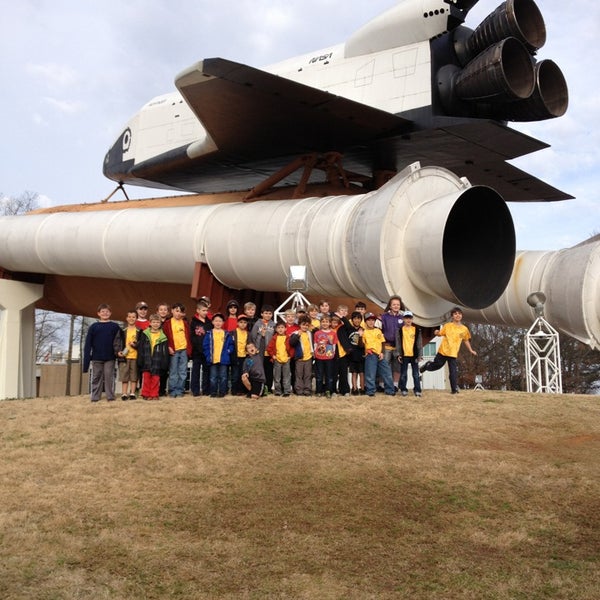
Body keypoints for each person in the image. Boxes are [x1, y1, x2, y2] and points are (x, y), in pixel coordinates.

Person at [420, 306, 477, 394]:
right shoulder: (447, 326)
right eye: (455, 314)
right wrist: (436, 332)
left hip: (453, 353)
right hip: (443, 351)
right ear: (452, 316)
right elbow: (440, 333)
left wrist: (471, 350)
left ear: (461, 315)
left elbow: (466, 340)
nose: (457, 315)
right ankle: (427, 366)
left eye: (459, 314)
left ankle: (454, 390)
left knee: (453, 372)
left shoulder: (464, 329)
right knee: (437, 365)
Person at [83, 303, 122, 402]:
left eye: (107, 311)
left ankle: (110, 396)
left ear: (110, 313)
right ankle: (95, 396)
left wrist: (119, 352)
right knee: (96, 377)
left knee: (109, 377)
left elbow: (120, 340)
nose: (105, 313)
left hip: (110, 357)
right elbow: (88, 344)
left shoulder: (115, 326)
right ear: (98, 313)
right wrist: (87, 360)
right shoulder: (94, 327)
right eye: (103, 311)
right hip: (96, 357)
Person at [137, 313, 170, 400]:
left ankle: (154, 394)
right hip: (146, 359)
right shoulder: (145, 334)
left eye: (157, 322)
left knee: (156, 378)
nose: (155, 324)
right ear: (150, 323)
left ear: (160, 324)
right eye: (154, 322)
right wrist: (140, 359)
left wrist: (165, 362)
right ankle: (146, 394)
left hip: (157, 360)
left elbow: (165, 351)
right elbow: (141, 347)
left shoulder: (163, 336)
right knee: (146, 378)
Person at [362, 312, 396, 397]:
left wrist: (382, 352)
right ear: (366, 321)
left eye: (373, 320)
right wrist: (365, 348)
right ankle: (370, 391)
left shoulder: (378, 330)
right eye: (369, 320)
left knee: (387, 372)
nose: (371, 322)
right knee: (370, 373)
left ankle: (390, 390)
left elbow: (383, 342)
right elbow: (361, 345)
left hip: (379, 354)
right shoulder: (364, 332)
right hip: (370, 354)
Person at [162, 302, 192, 398]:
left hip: (183, 350)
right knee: (173, 371)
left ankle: (180, 390)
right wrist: (168, 347)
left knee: (183, 371)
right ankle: (172, 390)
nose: (178, 313)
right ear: (172, 311)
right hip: (173, 350)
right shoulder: (167, 323)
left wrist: (188, 349)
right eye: (177, 311)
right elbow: (164, 337)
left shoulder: (185, 323)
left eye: (181, 312)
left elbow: (188, 336)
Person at [203, 312, 234, 397]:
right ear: (212, 322)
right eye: (216, 321)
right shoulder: (209, 333)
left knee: (223, 377)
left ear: (223, 323)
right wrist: (207, 355)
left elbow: (231, 344)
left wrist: (228, 351)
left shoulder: (226, 334)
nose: (218, 323)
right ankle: (213, 392)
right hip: (213, 358)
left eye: (220, 321)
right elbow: (205, 346)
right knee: (213, 377)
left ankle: (222, 392)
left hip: (223, 359)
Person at [380, 295, 405, 388]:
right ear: (390, 306)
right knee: (385, 365)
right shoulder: (384, 317)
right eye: (394, 304)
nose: (396, 306)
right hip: (386, 345)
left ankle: (395, 385)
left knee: (397, 367)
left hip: (398, 347)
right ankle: (382, 385)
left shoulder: (403, 318)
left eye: (398, 304)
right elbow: (380, 330)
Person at [396, 311, 423, 397]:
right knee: (403, 373)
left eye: (410, 318)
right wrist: (398, 354)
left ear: (412, 319)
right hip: (404, 355)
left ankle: (417, 390)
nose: (408, 320)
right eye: (406, 318)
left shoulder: (417, 330)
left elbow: (419, 343)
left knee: (415, 374)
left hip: (414, 355)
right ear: (403, 319)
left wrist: (420, 355)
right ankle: (403, 389)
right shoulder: (400, 330)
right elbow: (398, 343)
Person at [250, 304, 276, 394]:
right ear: (262, 314)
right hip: (259, 350)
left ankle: (268, 388)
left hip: (269, 352)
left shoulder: (273, 325)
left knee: (269, 370)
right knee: (260, 370)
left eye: (270, 313)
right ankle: (260, 387)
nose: (268, 315)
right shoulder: (257, 324)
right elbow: (253, 336)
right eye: (266, 313)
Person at [117, 310, 141, 400]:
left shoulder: (139, 331)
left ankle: (132, 393)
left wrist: (135, 345)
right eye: (129, 317)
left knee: (134, 376)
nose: (131, 319)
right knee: (125, 376)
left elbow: (141, 344)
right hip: (125, 357)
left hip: (135, 357)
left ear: (136, 318)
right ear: (126, 318)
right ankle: (124, 393)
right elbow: (118, 342)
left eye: (133, 317)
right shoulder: (122, 331)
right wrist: (118, 351)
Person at [190, 299, 212, 396]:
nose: (205, 312)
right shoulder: (193, 322)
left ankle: (206, 389)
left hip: (207, 351)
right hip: (197, 351)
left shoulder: (209, 323)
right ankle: (195, 390)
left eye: (206, 310)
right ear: (198, 310)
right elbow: (192, 337)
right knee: (196, 371)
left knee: (207, 371)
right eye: (203, 310)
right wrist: (198, 347)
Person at [313, 314, 338, 397]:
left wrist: (333, 354)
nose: (325, 323)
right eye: (323, 322)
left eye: (326, 322)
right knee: (319, 375)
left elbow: (334, 345)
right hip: (319, 357)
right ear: (320, 323)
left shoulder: (333, 333)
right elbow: (315, 344)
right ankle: (319, 391)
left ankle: (328, 391)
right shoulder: (317, 333)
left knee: (329, 375)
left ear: (330, 323)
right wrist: (315, 353)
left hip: (329, 357)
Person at [266, 321, 293, 396]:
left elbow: (291, 348)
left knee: (286, 376)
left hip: (286, 360)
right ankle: (278, 391)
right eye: (278, 328)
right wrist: (273, 356)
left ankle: (287, 391)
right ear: (276, 329)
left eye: (282, 327)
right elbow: (269, 348)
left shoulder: (288, 337)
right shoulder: (274, 338)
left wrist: (290, 356)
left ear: (285, 329)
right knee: (277, 377)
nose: (280, 329)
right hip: (277, 360)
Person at [289, 315, 314, 396]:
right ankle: (299, 390)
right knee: (299, 375)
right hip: (299, 358)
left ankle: (307, 390)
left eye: (307, 325)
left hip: (309, 357)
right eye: (303, 325)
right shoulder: (295, 333)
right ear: (299, 324)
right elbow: (292, 343)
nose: (305, 327)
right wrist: (297, 336)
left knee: (308, 375)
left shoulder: (310, 333)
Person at [331, 313, 351, 396]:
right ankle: (333, 390)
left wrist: (341, 317)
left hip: (342, 353)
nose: (334, 324)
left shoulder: (342, 328)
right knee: (334, 374)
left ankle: (345, 390)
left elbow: (348, 325)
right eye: (333, 322)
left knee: (343, 373)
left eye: (336, 322)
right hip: (332, 355)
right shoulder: (328, 330)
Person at [230, 314, 250, 395]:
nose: (243, 324)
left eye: (245, 322)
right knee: (235, 374)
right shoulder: (233, 332)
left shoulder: (248, 333)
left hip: (245, 357)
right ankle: (234, 390)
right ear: (237, 323)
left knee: (243, 374)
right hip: (235, 356)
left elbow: (249, 344)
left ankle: (242, 390)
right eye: (241, 322)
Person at [347, 311, 365, 395]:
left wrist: (360, 336)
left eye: (359, 318)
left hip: (361, 354)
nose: (357, 320)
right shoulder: (349, 329)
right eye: (355, 318)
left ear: (361, 320)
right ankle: (354, 388)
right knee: (354, 372)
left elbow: (362, 345)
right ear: (352, 320)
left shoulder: (363, 330)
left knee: (362, 372)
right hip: (352, 354)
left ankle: (362, 388)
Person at [155, 302, 171, 396]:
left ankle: (162, 390)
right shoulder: (154, 322)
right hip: (156, 350)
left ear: (168, 312)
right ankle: (154, 389)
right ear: (157, 311)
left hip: (167, 349)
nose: (163, 311)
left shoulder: (169, 322)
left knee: (165, 370)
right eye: (161, 309)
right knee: (156, 371)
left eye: (165, 310)